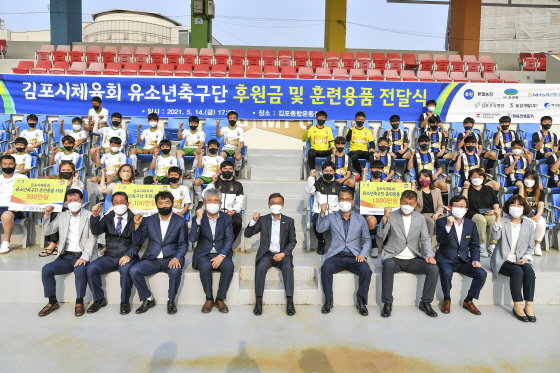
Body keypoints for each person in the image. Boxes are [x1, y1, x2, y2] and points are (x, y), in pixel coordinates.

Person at [379, 190, 439, 318]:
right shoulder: (392, 215)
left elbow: (425, 238)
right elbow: (381, 234)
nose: (407, 205)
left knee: (433, 268)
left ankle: (426, 302)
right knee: (387, 266)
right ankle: (387, 303)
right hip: (394, 256)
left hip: (413, 258)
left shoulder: (420, 218)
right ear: (400, 201)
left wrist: (429, 255)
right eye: (405, 202)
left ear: (415, 203)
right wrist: (385, 217)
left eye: (410, 203)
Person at [38, 189, 97, 317]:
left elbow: (93, 238)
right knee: (46, 269)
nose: (72, 202)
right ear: (66, 202)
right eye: (70, 200)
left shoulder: (89, 215)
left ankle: (79, 301)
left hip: (82, 255)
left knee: (80, 271)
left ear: (81, 201)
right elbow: (47, 232)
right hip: (66, 256)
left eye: (75, 200)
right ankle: (52, 301)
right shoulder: (62, 216)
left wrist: (84, 257)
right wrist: (47, 215)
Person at [129, 191, 188, 315]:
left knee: (176, 270)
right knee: (134, 270)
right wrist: (137, 225)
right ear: (156, 205)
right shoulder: (149, 220)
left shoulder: (180, 221)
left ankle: (171, 301)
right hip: (152, 259)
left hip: (171, 258)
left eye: (167, 202)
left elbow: (183, 244)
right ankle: (147, 299)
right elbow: (138, 241)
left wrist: (177, 257)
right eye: (160, 203)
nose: (164, 205)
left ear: (172, 203)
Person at [317, 190, 372, 316]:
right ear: (338, 202)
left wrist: (363, 254)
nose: (344, 202)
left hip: (354, 255)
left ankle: (361, 301)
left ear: (352, 202)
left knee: (366, 270)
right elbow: (320, 228)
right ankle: (328, 300)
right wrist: (322, 213)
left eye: (347, 199)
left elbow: (367, 239)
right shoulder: (331, 217)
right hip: (336, 255)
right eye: (341, 199)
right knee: (325, 268)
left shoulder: (360, 219)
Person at [244, 193, 297, 316]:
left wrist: (283, 254)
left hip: (283, 254)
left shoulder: (289, 221)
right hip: (267, 254)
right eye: (273, 203)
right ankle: (258, 301)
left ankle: (290, 301)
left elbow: (293, 241)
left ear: (283, 205)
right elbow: (247, 234)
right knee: (261, 267)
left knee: (288, 267)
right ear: (269, 205)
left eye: (279, 203)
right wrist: (253, 221)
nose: (276, 205)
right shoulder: (263, 220)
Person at [87, 192, 140, 315]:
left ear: (128, 203)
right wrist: (95, 216)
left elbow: (138, 242)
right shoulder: (108, 217)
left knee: (125, 270)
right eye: (116, 202)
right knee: (91, 268)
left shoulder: (135, 218)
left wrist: (128, 255)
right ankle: (99, 299)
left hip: (128, 256)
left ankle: (125, 301)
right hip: (110, 256)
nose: (119, 204)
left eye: (122, 202)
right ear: (112, 204)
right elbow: (96, 230)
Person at [435, 195, 487, 315]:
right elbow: (440, 241)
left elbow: (474, 245)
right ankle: (447, 299)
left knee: (481, 274)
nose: (459, 208)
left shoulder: (471, 224)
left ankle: (468, 300)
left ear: (466, 209)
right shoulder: (441, 221)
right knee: (447, 272)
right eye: (456, 206)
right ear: (450, 208)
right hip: (446, 258)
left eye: (462, 206)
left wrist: (475, 259)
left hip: (463, 260)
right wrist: (448, 226)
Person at [490, 195, 536, 322]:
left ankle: (529, 306)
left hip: (520, 259)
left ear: (524, 208)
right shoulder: (503, 221)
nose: (516, 208)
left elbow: (531, 246)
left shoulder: (528, 224)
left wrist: (526, 257)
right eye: (513, 204)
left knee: (529, 272)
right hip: (503, 259)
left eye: (519, 205)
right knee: (517, 271)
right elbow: (495, 236)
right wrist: (498, 218)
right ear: (508, 207)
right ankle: (517, 305)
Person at [189, 189, 235, 314]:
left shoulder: (226, 218)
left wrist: (221, 255)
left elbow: (229, 239)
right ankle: (209, 298)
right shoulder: (198, 218)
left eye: (216, 201)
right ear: (204, 203)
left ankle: (220, 299)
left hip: (221, 252)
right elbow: (192, 238)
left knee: (229, 266)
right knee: (205, 265)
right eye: (209, 201)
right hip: (203, 253)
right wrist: (198, 221)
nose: (213, 203)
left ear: (220, 204)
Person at [40, 161, 84, 258]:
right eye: (63, 170)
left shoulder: (79, 183)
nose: (66, 172)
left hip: (71, 208)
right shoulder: (56, 183)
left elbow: (78, 194)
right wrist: (46, 207)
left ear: (73, 171)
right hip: (57, 207)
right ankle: (54, 243)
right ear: (60, 171)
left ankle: (55, 243)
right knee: (51, 213)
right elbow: (50, 197)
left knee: (59, 214)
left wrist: (75, 179)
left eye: (69, 170)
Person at [305, 162, 342, 255]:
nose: (328, 172)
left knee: (339, 223)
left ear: (334, 172)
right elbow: (308, 190)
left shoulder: (337, 185)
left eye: (331, 171)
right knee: (316, 223)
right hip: (319, 211)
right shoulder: (317, 183)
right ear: (322, 171)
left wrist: (334, 211)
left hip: (333, 212)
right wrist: (311, 177)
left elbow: (341, 200)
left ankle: (336, 245)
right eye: (326, 171)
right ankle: (321, 242)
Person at [462, 168, 500, 258]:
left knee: (493, 219)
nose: (477, 178)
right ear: (470, 178)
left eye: (480, 176)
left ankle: (492, 245)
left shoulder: (489, 189)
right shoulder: (468, 189)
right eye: (474, 176)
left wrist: (495, 211)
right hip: (472, 212)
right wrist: (466, 188)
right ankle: (480, 245)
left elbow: (495, 201)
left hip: (488, 212)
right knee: (480, 220)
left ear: (483, 178)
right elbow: (463, 201)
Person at [202, 161, 244, 242]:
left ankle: (229, 243)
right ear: (220, 170)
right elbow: (204, 195)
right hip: (215, 211)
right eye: (225, 169)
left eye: (230, 169)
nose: (227, 171)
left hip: (230, 212)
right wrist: (213, 182)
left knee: (237, 222)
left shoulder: (237, 185)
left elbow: (240, 201)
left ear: (233, 170)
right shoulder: (215, 183)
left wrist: (234, 211)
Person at [0, 155, 28, 254]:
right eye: (5, 164)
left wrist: (19, 206)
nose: (8, 166)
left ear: (15, 165)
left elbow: (26, 195)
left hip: (14, 208)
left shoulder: (22, 178)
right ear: (1, 166)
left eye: (10, 164)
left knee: (6, 215)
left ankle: (6, 242)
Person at [514, 170, 546, 256]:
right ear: (523, 179)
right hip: (522, 215)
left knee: (542, 223)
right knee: (532, 223)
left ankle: (537, 245)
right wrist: (521, 188)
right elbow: (520, 203)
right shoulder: (517, 191)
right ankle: (530, 246)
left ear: (535, 181)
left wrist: (538, 216)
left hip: (535, 214)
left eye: (532, 178)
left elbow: (541, 206)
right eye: (527, 178)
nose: (529, 180)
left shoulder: (540, 192)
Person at [361, 160, 388, 258]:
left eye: (380, 169)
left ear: (383, 171)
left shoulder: (386, 184)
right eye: (376, 168)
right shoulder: (367, 182)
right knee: (371, 221)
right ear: (371, 170)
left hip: (383, 212)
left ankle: (386, 243)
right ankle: (374, 245)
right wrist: (364, 174)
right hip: (370, 211)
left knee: (394, 219)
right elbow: (362, 189)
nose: (378, 170)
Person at [408, 135, 448, 199]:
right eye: (422, 142)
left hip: (431, 179)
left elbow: (440, 169)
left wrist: (436, 175)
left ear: (429, 144)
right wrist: (412, 155)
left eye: (426, 142)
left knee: (443, 185)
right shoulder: (416, 155)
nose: (424, 143)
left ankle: (444, 205)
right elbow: (409, 168)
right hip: (420, 180)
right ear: (419, 144)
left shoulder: (433, 155)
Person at [412, 169, 443, 237]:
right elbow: (411, 200)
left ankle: (440, 245)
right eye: (421, 178)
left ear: (430, 179)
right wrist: (413, 186)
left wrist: (437, 214)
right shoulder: (416, 190)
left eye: (426, 177)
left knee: (443, 221)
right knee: (431, 222)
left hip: (434, 214)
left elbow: (440, 206)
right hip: (421, 214)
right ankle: (427, 244)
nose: (423, 180)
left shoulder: (437, 191)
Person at [193, 139, 224, 205]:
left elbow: (220, 169)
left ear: (218, 148)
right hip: (204, 176)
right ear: (208, 148)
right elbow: (199, 166)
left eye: (215, 146)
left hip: (214, 177)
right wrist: (201, 155)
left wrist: (216, 175)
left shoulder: (220, 158)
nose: (212, 147)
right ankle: (200, 200)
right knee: (196, 182)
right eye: (211, 146)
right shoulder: (204, 157)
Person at [346, 111, 374, 177]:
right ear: (355, 120)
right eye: (359, 119)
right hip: (353, 150)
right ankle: (361, 173)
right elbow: (347, 139)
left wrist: (372, 148)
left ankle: (373, 173)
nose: (360, 121)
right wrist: (351, 127)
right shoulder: (350, 130)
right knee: (352, 157)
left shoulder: (368, 131)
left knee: (372, 156)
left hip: (364, 151)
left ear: (364, 120)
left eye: (362, 120)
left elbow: (372, 142)